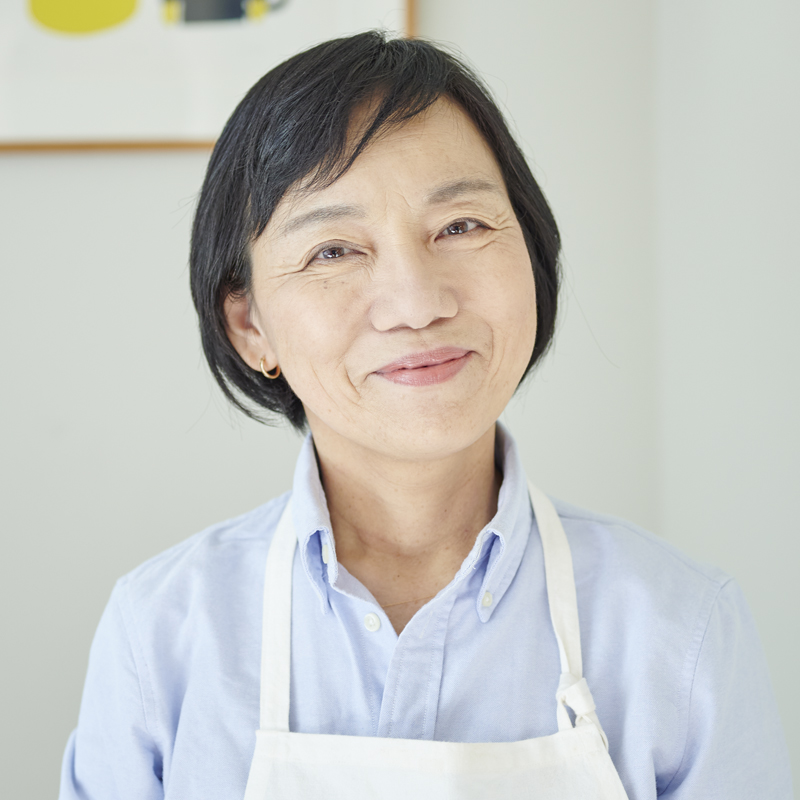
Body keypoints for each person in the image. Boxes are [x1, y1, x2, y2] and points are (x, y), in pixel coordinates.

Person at [59, 30, 793, 800]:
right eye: (335, 251)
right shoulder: (160, 634)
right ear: (251, 326)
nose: (417, 304)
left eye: (460, 227)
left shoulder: (683, 627)